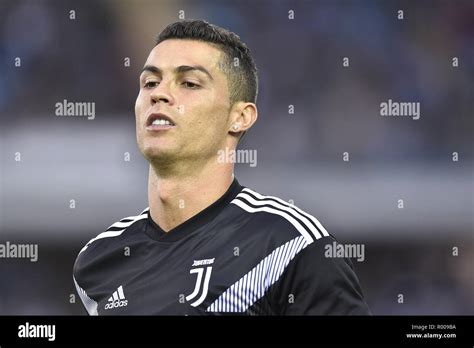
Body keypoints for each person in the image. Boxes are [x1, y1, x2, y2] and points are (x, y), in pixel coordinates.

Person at [73, 19, 370, 315]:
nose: (159, 94)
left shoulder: (290, 245)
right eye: (150, 82)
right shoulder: (98, 260)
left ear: (239, 117)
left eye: (189, 83)